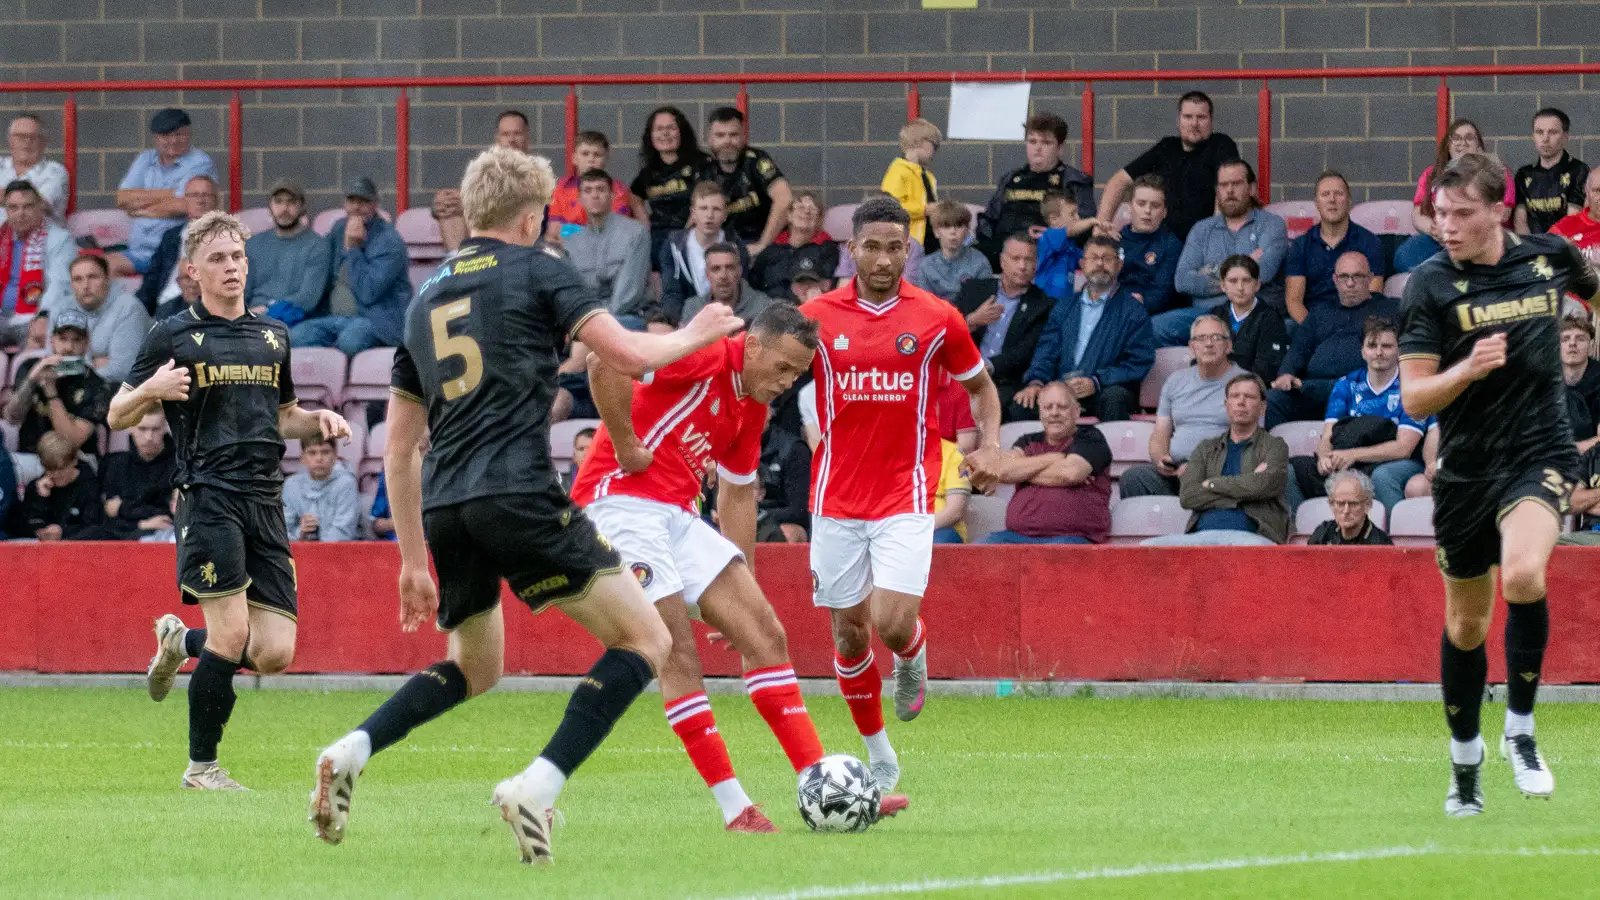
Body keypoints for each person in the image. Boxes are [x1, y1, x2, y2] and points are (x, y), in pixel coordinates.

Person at [304, 146, 743, 863]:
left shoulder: (423, 298)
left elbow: (399, 450)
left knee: (476, 668)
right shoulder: (540, 268)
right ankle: (537, 788)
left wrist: (412, 561)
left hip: (447, 506)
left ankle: (353, 748)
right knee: (648, 641)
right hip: (517, 492)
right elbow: (626, 356)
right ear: (533, 216)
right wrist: (697, 332)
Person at [575, 303, 901, 831]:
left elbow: (738, 494)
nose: (788, 381)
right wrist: (627, 443)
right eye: (783, 367)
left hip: (677, 514)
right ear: (752, 345)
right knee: (676, 652)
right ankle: (736, 808)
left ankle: (829, 790)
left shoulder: (751, 408)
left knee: (765, 633)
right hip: (619, 502)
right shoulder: (702, 356)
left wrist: (740, 581)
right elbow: (602, 361)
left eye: (798, 373)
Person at [114, 210, 351, 791]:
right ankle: (202, 769)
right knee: (229, 638)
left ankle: (179, 641)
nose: (231, 267)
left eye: (238, 256)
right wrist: (151, 390)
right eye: (217, 258)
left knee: (273, 653)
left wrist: (319, 419)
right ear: (193, 271)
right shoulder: (172, 334)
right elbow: (117, 414)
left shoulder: (273, 336)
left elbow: (284, 417)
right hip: (208, 497)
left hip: (266, 501)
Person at [1399, 152, 1600, 816]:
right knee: (1466, 624)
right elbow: (1415, 398)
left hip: (1540, 450)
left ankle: (1521, 729)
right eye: (1440, 214)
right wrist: (1466, 371)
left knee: (1523, 574)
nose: (1447, 226)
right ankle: (1465, 761)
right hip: (1465, 469)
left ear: (1499, 210)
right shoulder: (1429, 284)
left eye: (1461, 214)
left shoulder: (1551, 257)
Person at [800, 195, 1002, 796]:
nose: (884, 260)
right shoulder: (815, 317)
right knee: (847, 634)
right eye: (872, 247)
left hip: (906, 490)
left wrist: (991, 446)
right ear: (851, 249)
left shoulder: (938, 317)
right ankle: (878, 754)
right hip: (834, 497)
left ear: (909, 251)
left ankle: (911, 653)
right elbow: (759, 376)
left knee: (889, 625)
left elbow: (982, 390)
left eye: (895, 248)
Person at [1285, 317, 1429, 516]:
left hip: (1395, 462)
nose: (1379, 352)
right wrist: (1324, 457)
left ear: (1399, 351)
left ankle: (1390, 534)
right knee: (1289, 470)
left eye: (1387, 346)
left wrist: (1353, 455)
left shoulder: (1412, 387)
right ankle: (1302, 528)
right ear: (1363, 351)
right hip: (1348, 459)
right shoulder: (1346, 385)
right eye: (1372, 345)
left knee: (1382, 476)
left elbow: (1403, 448)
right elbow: (1327, 436)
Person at [1015, 235, 1155, 422]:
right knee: (1023, 403)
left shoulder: (1133, 311)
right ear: (1082, 264)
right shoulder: (1064, 306)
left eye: (1107, 259)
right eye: (1093, 258)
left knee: (1114, 398)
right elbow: (1046, 350)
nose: (1100, 264)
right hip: (1062, 389)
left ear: (1119, 265)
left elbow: (1139, 361)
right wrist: (1036, 382)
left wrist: (1096, 381)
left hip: (1105, 390)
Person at [1143, 373, 1289, 546]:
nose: (1241, 402)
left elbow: (1265, 485)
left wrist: (1212, 484)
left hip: (1251, 537)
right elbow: (1188, 496)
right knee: (1147, 548)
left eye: (1249, 397)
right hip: (1200, 536)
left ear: (1263, 407)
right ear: (1226, 405)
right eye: (1235, 396)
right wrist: (1246, 488)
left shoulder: (1274, 446)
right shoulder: (1205, 448)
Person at [1156, 160, 1288, 347]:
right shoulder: (1202, 229)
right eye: (1224, 185)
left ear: (1251, 188)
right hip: (1207, 316)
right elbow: (1182, 281)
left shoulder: (1272, 224)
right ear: (1217, 191)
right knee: (1154, 328)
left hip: (1253, 315)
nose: (1230, 190)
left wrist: (1208, 270)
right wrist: (1245, 266)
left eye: (1236, 183)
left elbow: (1264, 271)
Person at [1268, 251, 1400, 427]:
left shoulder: (1391, 309)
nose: (1350, 283)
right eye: (1344, 277)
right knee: (1274, 399)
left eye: (1357, 276)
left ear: (1370, 278)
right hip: (1314, 392)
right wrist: (1286, 374)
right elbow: (1299, 348)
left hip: (1361, 390)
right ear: (1335, 279)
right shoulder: (1320, 312)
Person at [1118, 314, 1245, 498]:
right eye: (1201, 338)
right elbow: (1160, 433)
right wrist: (1161, 459)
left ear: (1229, 346)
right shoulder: (1175, 381)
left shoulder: (1245, 383)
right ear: (1192, 347)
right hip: (1176, 472)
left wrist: (1199, 467)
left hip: (1222, 472)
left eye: (1216, 338)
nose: (1208, 344)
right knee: (1134, 478)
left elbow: (1249, 441)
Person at [978, 381, 1113, 544]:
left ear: (1076, 411)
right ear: (1040, 412)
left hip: (1071, 537)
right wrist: (1053, 458)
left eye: (1062, 407)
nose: (1054, 413)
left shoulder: (1091, 438)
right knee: (981, 549)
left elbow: (1070, 473)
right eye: (1048, 407)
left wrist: (1022, 472)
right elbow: (1002, 471)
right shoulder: (1027, 441)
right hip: (1017, 536)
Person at [1096, 92, 1241, 242]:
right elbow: (1119, 181)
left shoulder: (1220, 145)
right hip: (1164, 244)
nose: (1194, 123)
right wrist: (1101, 228)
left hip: (1202, 242)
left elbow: (1225, 188)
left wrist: (1216, 237)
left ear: (1211, 121)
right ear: (1178, 120)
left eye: (1201, 117)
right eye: (1188, 117)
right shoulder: (1166, 147)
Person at [291, 177, 412, 356]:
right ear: (345, 203)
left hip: (375, 321)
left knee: (350, 341)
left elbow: (368, 292)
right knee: (294, 337)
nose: (356, 207)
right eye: (351, 200)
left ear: (375, 204)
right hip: (334, 319)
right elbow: (323, 270)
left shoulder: (390, 241)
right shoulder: (339, 228)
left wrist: (354, 248)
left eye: (363, 201)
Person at [1393, 120, 1515, 274]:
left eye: (1469, 138)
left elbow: (1504, 214)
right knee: (1404, 256)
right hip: (1439, 238)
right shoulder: (1431, 174)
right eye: (1456, 138)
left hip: (1481, 238)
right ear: (1448, 145)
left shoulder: (1497, 172)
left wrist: (1465, 228)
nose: (1462, 143)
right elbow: (1418, 214)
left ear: (1478, 145)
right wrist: (1432, 229)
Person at [4, 308, 111, 481]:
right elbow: (11, 417)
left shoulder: (98, 385)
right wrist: (32, 379)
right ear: (52, 340)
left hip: (76, 461)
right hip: (32, 457)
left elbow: (71, 441)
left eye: (76, 340)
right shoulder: (31, 367)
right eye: (63, 339)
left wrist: (51, 392)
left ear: (86, 344)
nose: (68, 347)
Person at [954, 234, 1053, 418]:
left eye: (1028, 260)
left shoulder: (1043, 304)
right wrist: (972, 321)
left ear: (1036, 264)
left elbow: (1026, 351)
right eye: (1016, 258)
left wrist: (989, 366)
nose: (1022, 266)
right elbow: (945, 332)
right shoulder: (974, 289)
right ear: (1002, 261)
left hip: (1005, 381)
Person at [976, 113, 1095, 266]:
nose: (1037, 148)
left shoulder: (1073, 181)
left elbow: (1085, 226)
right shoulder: (1011, 179)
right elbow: (989, 219)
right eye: (1032, 141)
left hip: (1045, 251)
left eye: (1046, 143)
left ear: (1060, 148)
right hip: (1003, 249)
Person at [115, 108, 219, 276]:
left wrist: (139, 209)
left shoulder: (199, 162)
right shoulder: (145, 159)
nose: (173, 140)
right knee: (101, 268)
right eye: (165, 135)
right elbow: (122, 198)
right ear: (155, 137)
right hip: (139, 252)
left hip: (176, 254)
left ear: (189, 133)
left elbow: (185, 205)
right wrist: (171, 193)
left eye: (179, 134)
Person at [1284, 171, 1386, 323]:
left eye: (1338, 194)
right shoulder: (1300, 246)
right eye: (1325, 194)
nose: (1332, 200)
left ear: (1349, 200)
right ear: (1316, 203)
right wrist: (1313, 330)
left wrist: (1349, 329)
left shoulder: (1370, 242)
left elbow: (1373, 295)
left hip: (1356, 322)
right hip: (1313, 322)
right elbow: (1294, 302)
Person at [433, 110, 529, 253]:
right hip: (483, 232)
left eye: (517, 133)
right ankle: (456, 260)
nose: (511, 139)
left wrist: (470, 205)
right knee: (450, 206)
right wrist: (440, 205)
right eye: (506, 134)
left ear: (527, 138)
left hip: (519, 235)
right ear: (498, 140)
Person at [701, 107, 791, 256]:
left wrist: (762, 244)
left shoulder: (756, 160)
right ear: (709, 139)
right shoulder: (704, 169)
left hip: (764, 241)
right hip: (724, 245)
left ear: (743, 137)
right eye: (720, 135)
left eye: (733, 135)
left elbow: (785, 199)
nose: (727, 141)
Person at [564, 169, 652, 321]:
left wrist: (599, 321)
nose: (595, 195)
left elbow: (629, 292)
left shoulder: (636, 233)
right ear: (580, 199)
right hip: (586, 319)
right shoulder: (570, 243)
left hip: (628, 315)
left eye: (601, 189)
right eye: (588, 191)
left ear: (612, 196)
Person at [244, 178, 331, 326]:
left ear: (302, 207)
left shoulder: (317, 247)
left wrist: (267, 309)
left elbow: (308, 299)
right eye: (278, 202)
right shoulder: (253, 245)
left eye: (291, 202)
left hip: (294, 320)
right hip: (251, 320)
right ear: (270, 207)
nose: (284, 208)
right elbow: (241, 292)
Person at [659, 182, 748, 323]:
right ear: (693, 213)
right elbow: (671, 292)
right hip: (685, 319)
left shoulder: (736, 248)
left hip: (726, 319)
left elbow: (740, 291)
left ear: (725, 215)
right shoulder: (673, 246)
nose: (709, 215)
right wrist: (678, 323)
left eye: (716, 209)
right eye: (703, 208)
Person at [633, 106, 711, 264]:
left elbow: (709, 199)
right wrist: (643, 221)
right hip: (657, 236)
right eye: (659, 129)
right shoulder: (649, 171)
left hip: (692, 235)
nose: (665, 133)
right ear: (651, 135)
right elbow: (633, 195)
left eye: (671, 128)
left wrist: (688, 231)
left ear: (682, 132)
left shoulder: (701, 163)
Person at [1, 179, 74, 345]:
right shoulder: (1, 235)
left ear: (40, 207)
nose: (20, 214)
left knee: (36, 347)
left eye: (28, 206)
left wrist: (44, 315)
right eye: (13, 208)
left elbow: (59, 284)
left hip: (33, 318)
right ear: (6, 210)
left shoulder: (60, 239)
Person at [137, 174, 219, 314]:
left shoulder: (226, 238)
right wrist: (137, 307)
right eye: (194, 195)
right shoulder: (171, 236)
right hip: (161, 307)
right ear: (185, 200)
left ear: (216, 201)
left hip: (196, 306)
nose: (200, 200)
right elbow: (152, 280)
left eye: (206, 195)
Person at [544, 131, 646, 244]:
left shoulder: (617, 190)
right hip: (567, 250)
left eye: (597, 154)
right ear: (574, 158)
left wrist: (570, 231)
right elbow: (553, 233)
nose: (591, 159)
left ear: (606, 157)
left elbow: (612, 232)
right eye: (585, 154)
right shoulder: (562, 189)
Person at [69, 252, 151, 384]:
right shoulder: (65, 308)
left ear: (107, 279)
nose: (85, 286)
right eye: (78, 279)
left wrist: (80, 367)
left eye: (93, 277)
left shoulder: (129, 308)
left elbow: (123, 370)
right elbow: (54, 362)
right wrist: (92, 363)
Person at [99, 408, 177, 540]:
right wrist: (141, 524)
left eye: (155, 429)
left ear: (165, 427)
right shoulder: (115, 464)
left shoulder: (179, 465)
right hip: (120, 538)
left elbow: (169, 515)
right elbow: (106, 516)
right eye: (142, 429)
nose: (149, 437)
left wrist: (123, 507)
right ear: (130, 427)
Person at [747, 191, 837, 301]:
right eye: (800, 208)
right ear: (789, 216)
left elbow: (829, 287)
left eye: (812, 209)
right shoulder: (771, 251)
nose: (806, 212)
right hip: (767, 306)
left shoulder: (827, 250)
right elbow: (753, 285)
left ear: (819, 220)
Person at [1514, 108, 1588, 236]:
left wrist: (1550, 246)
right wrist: (1529, 247)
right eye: (1539, 132)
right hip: (1531, 245)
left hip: (1565, 245)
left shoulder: (1578, 170)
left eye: (1552, 132)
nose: (1545, 139)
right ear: (1533, 136)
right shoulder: (1524, 174)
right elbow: (1520, 222)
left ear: (1565, 136)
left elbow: (1573, 221)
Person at [1114, 175, 1183, 314]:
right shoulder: (1114, 240)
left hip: (1150, 314)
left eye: (1155, 206)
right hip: (1112, 307)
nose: (1147, 211)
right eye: (1141, 203)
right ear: (1130, 207)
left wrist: (1143, 302)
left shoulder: (1171, 244)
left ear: (1164, 212)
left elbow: (1161, 293)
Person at [1217, 254, 1288, 383]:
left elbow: (1266, 370)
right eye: (1233, 281)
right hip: (1212, 385)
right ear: (1223, 285)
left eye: (1246, 280)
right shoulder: (1214, 316)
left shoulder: (1270, 319)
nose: (1240, 287)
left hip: (1249, 388)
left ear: (1257, 284)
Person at [22, 431, 103, 541]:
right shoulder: (36, 487)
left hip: (76, 544)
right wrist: (40, 499)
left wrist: (63, 532)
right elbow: (24, 525)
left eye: (61, 469)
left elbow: (94, 526)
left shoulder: (89, 485)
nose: (55, 474)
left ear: (74, 461)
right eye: (49, 469)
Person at [283, 434, 360, 542]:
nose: (319, 458)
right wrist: (300, 534)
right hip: (299, 549)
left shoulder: (346, 483)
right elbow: (283, 530)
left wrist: (315, 547)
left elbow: (343, 533)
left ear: (335, 456)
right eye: (312, 453)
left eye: (325, 452)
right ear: (302, 458)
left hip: (337, 550)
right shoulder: (291, 485)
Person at [880, 118, 942, 252]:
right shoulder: (898, 172)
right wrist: (924, 210)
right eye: (933, 145)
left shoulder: (928, 176)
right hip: (909, 240)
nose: (935, 150)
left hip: (929, 237)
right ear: (918, 142)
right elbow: (891, 208)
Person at [913, 199, 992, 301]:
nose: (953, 232)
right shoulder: (926, 266)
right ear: (936, 232)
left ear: (967, 230)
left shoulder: (980, 262)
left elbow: (985, 301)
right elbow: (925, 304)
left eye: (959, 226)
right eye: (946, 226)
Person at [677, 242, 772, 326]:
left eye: (730, 268)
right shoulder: (693, 308)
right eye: (716, 269)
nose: (723, 276)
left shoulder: (762, 306)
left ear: (739, 271)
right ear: (707, 274)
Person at [0, 114, 68, 223]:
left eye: (33, 137)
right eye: (20, 136)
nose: (27, 141)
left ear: (44, 141)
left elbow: (37, 204)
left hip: (40, 233)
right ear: (10, 140)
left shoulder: (55, 171)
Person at [1307, 469, 1393, 546]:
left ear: (1368, 505)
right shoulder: (1323, 534)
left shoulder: (1381, 544)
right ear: (1331, 504)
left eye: (1353, 504)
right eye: (1340, 503)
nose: (1346, 511)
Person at [1033, 191, 1086, 300]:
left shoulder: (1071, 244)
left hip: (1064, 300)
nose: (1078, 218)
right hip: (1044, 299)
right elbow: (1073, 230)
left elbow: (1086, 261)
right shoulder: (1048, 237)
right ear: (1053, 219)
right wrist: (1095, 222)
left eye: (1077, 213)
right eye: (1072, 214)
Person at [1559, 314, 1600, 451]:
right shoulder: (1545, 378)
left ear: (1591, 346)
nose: (1572, 343)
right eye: (1565, 339)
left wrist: (1567, 452)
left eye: (1580, 338)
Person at [1559, 442, 1600, 545]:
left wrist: (1586, 502)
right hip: (1590, 534)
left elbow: (1579, 502)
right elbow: (1571, 503)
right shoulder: (1592, 454)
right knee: (1550, 546)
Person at [931, 439, 969, 544]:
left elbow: (954, 512)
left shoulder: (954, 454)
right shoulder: (895, 454)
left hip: (941, 529)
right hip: (900, 529)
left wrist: (916, 528)